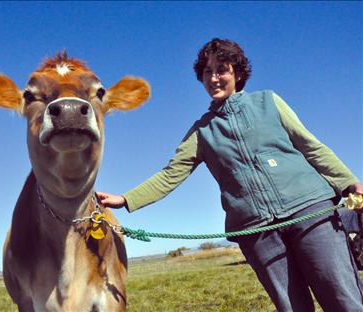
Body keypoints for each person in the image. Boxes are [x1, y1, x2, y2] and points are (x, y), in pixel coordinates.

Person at [97, 38, 363, 311]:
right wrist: (126, 199)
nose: (213, 78)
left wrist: (350, 183)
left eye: (221, 69)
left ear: (237, 73)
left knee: (343, 299)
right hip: (258, 231)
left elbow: (311, 146)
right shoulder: (202, 131)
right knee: (293, 308)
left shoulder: (268, 102)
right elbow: (170, 175)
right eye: (207, 72)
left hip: (311, 212)